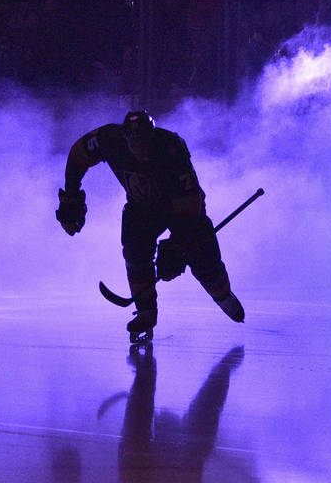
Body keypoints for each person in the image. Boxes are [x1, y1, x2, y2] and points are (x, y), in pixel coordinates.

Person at [56, 110, 244, 342]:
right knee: (135, 250)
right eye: (135, 142)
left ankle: (223, 295)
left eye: (145, 141)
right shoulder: (108, 139)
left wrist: (177, 246)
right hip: (142, 207)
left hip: (183, 209)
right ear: (125, 139)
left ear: (153, 137)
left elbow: (190, 202)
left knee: (203, 257)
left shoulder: (172, 149)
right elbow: (78, 155)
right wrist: (71, 195)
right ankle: (146, 311)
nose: (141, 148)